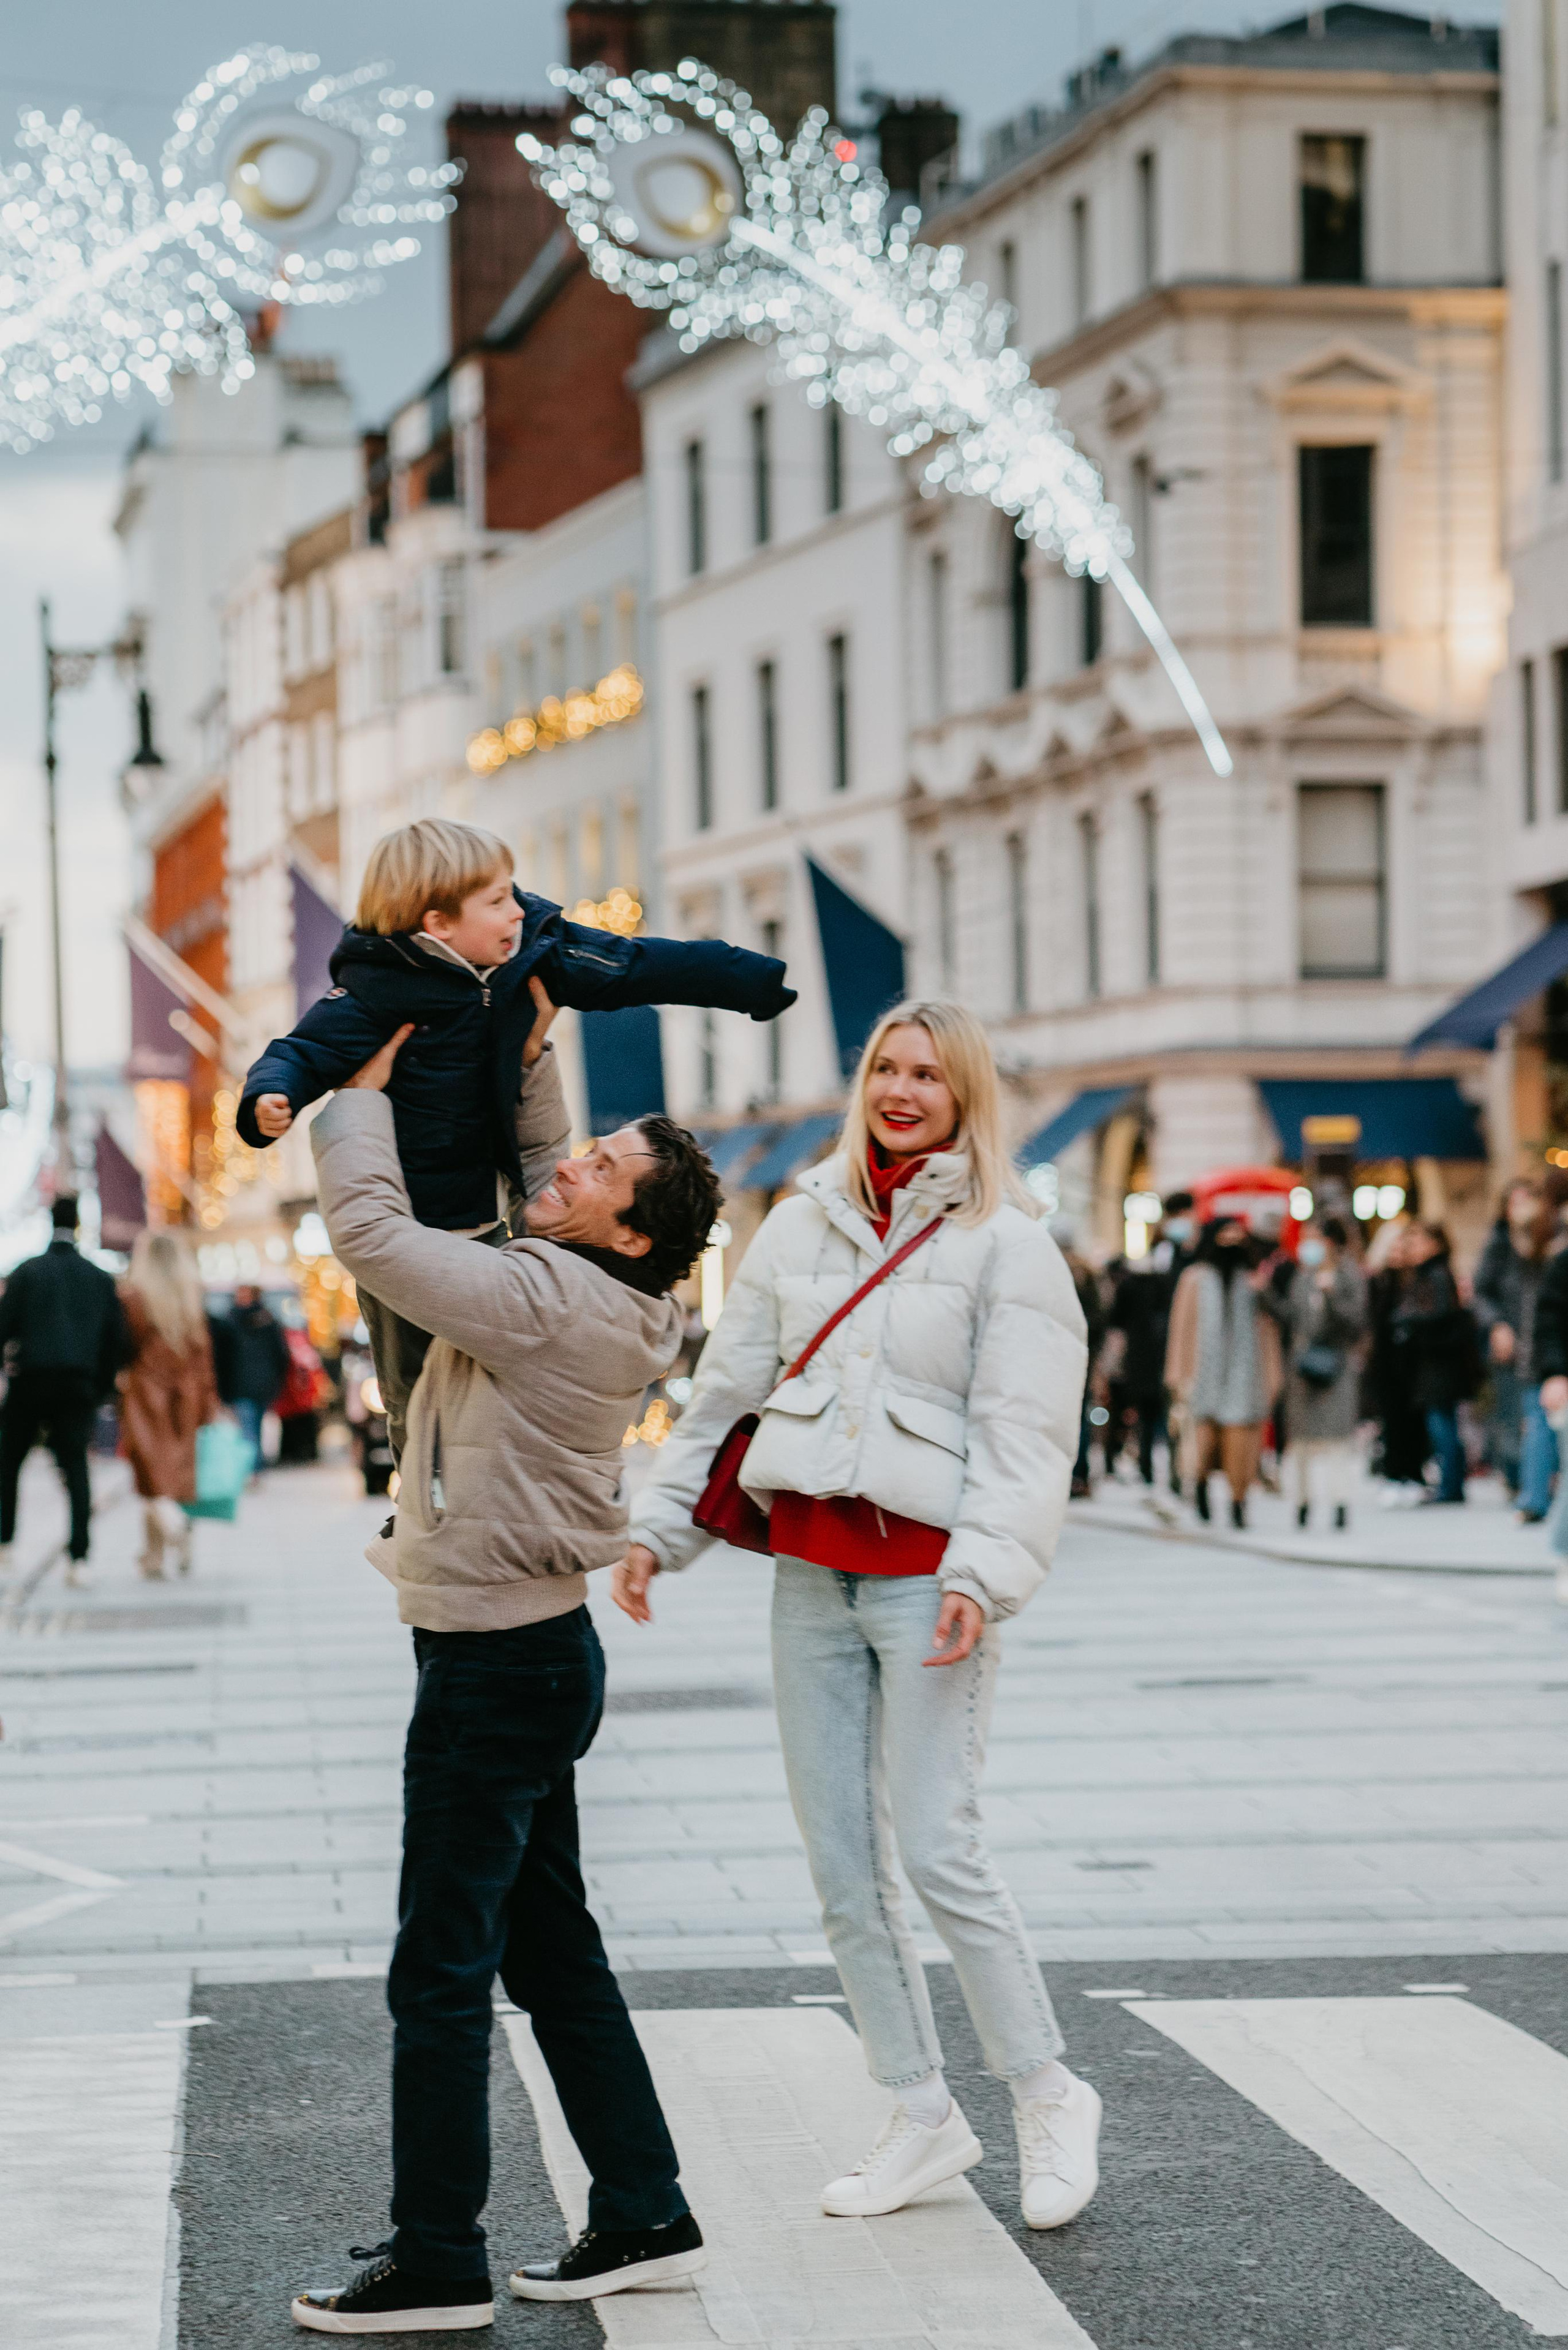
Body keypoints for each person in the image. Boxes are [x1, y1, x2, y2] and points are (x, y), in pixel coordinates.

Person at [620, 1001, 1099, 2237]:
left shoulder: (1005, 1243)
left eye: (927, 1073)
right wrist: (655, 1530)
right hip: (808, 1572)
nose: (900, 1088)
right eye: (885, 1067)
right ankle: (919, 2109)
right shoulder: (797, 1220)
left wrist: (980, 1575)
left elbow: (1025, 1432)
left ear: (963, 1094)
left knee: (938, 1847)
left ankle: (1047, 2090)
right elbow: (725, 1390)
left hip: (928, 1579)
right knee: (842, 1867)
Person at [291, 993, 720, 2334]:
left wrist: (352, 1096)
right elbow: (539, 1185)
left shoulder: (543, 1301)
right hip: (529, 1653)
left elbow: (368, 1234)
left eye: (599, 1166)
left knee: (440, 1970)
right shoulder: (596, 1280)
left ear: (630, 1229)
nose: (569, 1165)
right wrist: (528, 1068)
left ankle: (438, 2258)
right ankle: (644, 2207)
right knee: (553, 1955)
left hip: (493, 1671)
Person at [238, 818, 794, 1463]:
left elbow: (634, 965)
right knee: (410, 1377)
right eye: (498, 901)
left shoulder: (533, 952)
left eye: (512, 891)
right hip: (410, 1218)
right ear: (438, 923)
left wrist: (745, 979)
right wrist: (267, 1103)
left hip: (490, 1212)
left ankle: (504, 1476)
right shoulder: (373, 990)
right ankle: (420, 1484)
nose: (518, 910)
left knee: (496, 1366)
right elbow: (302, 1051)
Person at [0, 1196, 124, 1583]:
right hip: (78, 1383)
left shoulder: (26, 1273)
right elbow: (114, 1340)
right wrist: (100, 1388)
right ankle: (79, 1557)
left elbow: (4, 1328)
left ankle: (6, 1544)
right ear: (79, 1225)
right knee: (76, 1467)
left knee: (9, 1463)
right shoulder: (99, 1277)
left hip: (31, 1380)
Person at [1164, 1217, 1282, 1530]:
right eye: (1224, 1236)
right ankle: (1200, 1486)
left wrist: (1273, 1376)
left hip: (1245, 1375)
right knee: (1203, 1442)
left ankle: (1239, 1501)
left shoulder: (1253, 1279)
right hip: (1203, 1375)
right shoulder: (1195, 1278)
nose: (1231, 1243)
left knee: (1242, 1445)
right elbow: (1182, 1327)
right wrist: (1177, 1374)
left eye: (1237, 1237)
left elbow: (1271, 1329)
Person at [118, 1230, 222, 1580]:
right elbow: (204, 1354)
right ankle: (160, 1551)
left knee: (150, 1476)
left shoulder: (133, 1296)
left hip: (147, 1392)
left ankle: (164, 1540)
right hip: (188, 1393)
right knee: (180, 1474)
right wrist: (210, 1401)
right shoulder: (190, 1295)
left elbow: (125, 1346)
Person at [1262, 1216, 1367, 1532]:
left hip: (1336, 1366)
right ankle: (1303, 1503)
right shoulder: (1303, 1276)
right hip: (1302, 1367)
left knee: (1337, 1440)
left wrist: (1332, 1296)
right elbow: (1292, 1318)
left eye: (1314, 1237)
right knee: (1302, 1441)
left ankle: (1340, 1504)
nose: (1307, 1245)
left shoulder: (1349, 1275)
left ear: (1331, 1242)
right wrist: (1265, 1295)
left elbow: (1355, 1322)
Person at [1473, 1181, 1557, 1521]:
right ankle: (1525, 1487)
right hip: (1515, 1348)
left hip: (1543, 1348)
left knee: (1539, 1422)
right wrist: (1497, 1325)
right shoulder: (1499, 1246)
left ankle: (1537, 1492)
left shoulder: (1552, 1250)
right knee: (1518, 1419)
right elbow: (1483, 1293)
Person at [1387, 1222, 1477, 1506]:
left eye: (1419, 1241)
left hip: (1439, 1363)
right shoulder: (1430, 1274)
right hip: (1436, 1362)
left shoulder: (1436, 1275)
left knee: (1442, 1423)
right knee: (1442, 1421)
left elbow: (1440, 1315)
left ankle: (1451, 1485)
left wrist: (1409, 1321)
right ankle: (1451, 1483)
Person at [217, 1283, 289, 1467]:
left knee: (251, 1427)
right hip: (247, 1384)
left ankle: (252, 1467)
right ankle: (255, 1466)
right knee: (250, 1426)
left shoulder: (233, 1322)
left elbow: (280, 1355)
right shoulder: (262, 1321)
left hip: (252, 1384)